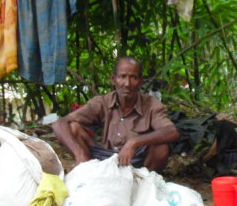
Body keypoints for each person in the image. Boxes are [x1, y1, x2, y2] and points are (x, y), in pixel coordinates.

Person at [51, 56, 179, 172]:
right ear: (113, 79)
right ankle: (87, 169)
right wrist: (79, 154)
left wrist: (134, 142)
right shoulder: (102, 102)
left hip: (137, 162)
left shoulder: (152, 105)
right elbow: (59, 123)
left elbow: (172, 131)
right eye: (122, 77)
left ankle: (145, 180)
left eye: (133, 77)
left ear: (141, 81)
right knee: (74, 128)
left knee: (162, 146)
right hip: (105, 157)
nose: (127, 83)